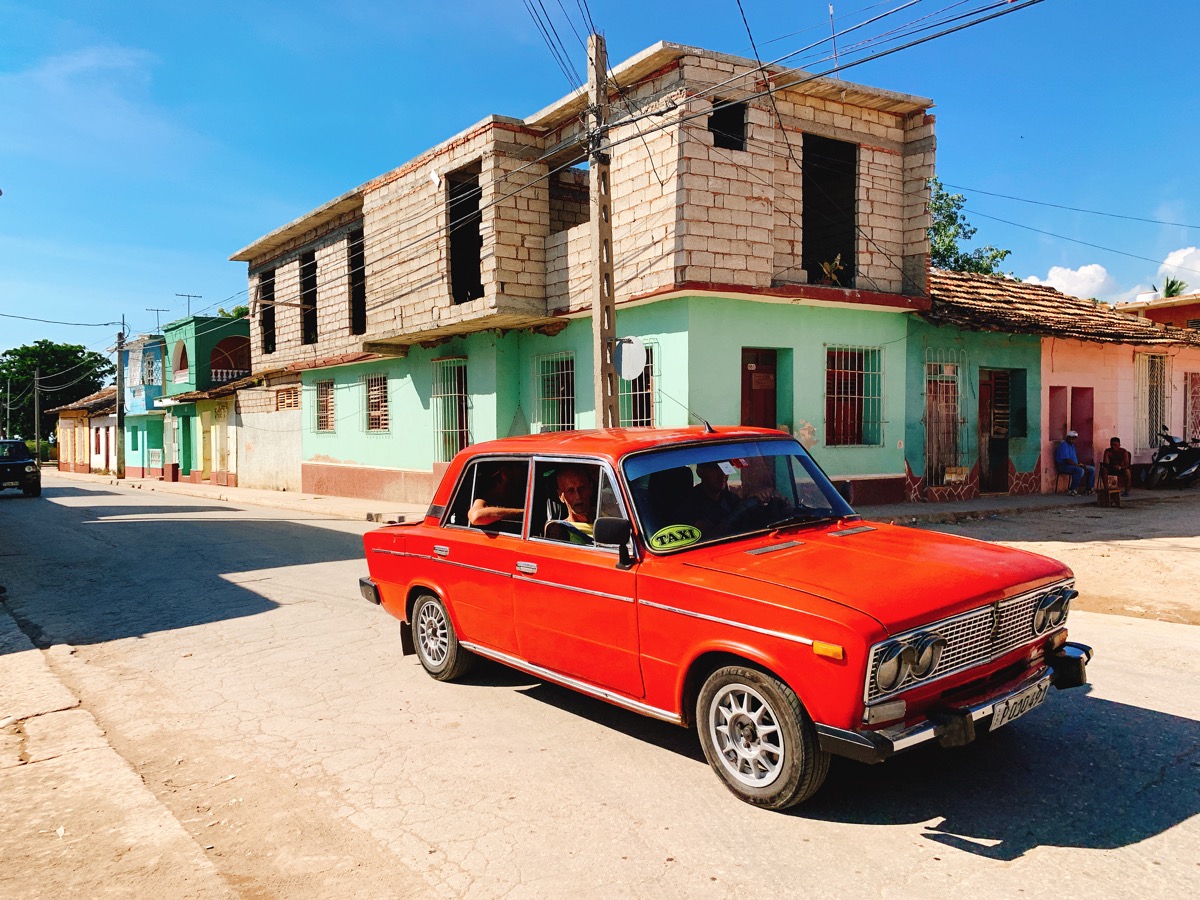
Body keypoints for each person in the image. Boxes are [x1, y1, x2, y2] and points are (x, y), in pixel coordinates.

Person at [545, 464, 598, 543]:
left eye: (582, 488)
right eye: (570, 491)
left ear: (590, 488)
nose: (578, 496)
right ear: (561, 496)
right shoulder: (559, 530)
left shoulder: (606, 515)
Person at [467, 462, 526, 527]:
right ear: (505, 473)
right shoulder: (485, 499)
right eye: (518, 466)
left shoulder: (516, 495)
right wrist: (525, 513)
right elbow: (476, 516)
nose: (522, 471)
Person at [1055, 430, 1095, 495]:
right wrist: (1077, 465)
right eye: (1072, 438)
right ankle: (1072, 489)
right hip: (1064, 466)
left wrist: (1079, 464)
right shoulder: (1063, 446)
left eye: (1075, 438)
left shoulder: (1072, 445)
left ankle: (1089, 489)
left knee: (1091, 469)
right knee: (1079, 470)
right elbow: (1067, 460)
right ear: (1068, 437)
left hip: (1073, 465)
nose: (1073, 440)